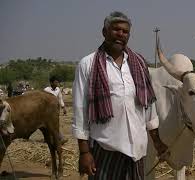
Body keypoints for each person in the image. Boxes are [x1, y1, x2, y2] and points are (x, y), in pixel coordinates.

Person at [72, 11, 168, 179]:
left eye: (125, 32)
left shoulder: (138, 63)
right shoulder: (88, 64)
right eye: (115, 29)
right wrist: (84, 152)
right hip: (106, 148)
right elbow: (80, 110)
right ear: (104, 32)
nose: (120, 34)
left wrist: (158, 142)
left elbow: (149, 108)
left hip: (137, 151)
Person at [44, 75, 68, 144]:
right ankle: (60, 138)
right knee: (52, 124)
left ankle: (49, 138)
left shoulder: (58, 89)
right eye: (55, 82)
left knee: (53, 124)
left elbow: (60, 99)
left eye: (57, 82)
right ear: (51, 83)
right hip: (47, 110)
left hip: (55, 109)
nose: (57, 83)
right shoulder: (46, 90)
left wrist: (63, 107)